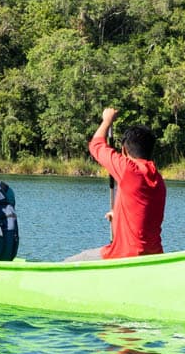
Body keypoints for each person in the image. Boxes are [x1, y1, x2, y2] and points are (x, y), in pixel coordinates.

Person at [65, 108, 164, 261]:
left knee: (70, 262)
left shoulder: (129, 170)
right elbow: (142, 212)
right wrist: (117, 215)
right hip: (154, 254)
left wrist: (107, 120)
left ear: (124, 150)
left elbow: (96, 146)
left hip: (125, 254)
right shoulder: (158, 179)